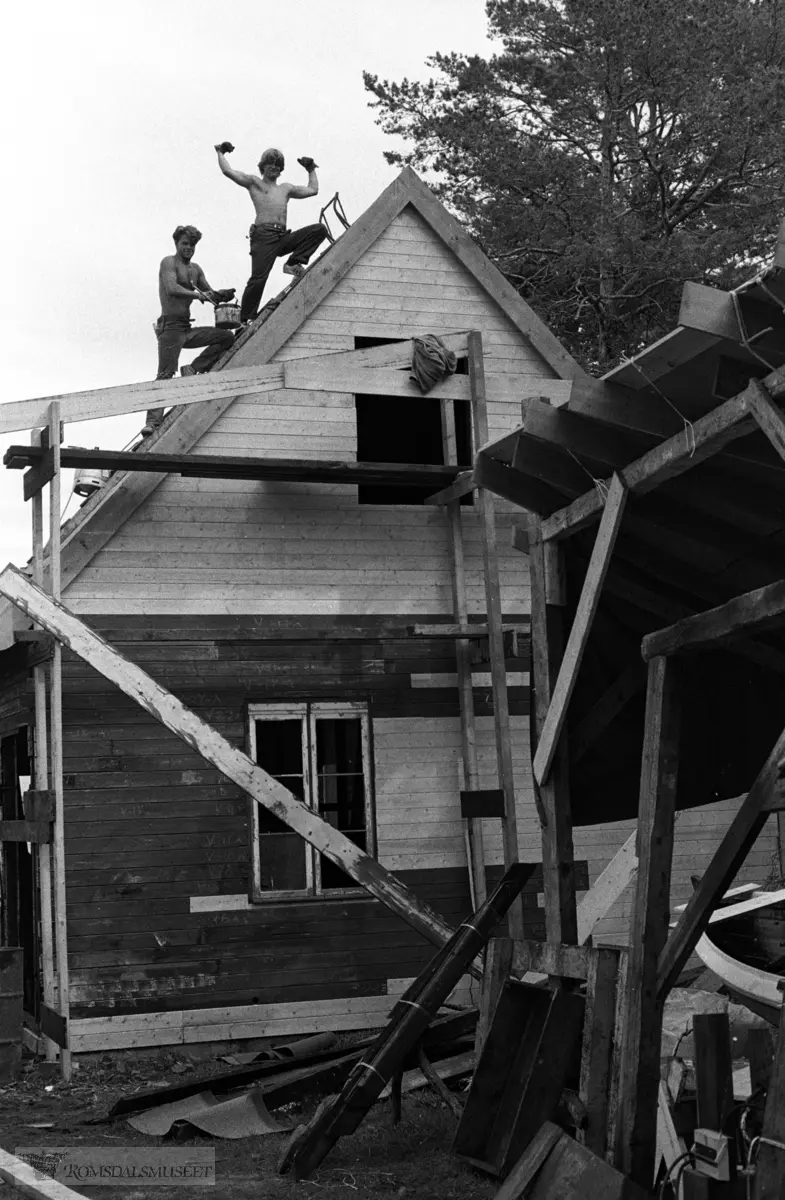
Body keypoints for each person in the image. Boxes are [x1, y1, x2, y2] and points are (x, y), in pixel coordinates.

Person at [215, 144, 328, 323]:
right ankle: (245, 319)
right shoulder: (254, 183)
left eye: (277, 165)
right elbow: (228, 171)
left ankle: (293, 263)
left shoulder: (286, 188)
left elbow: (313, 190)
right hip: (264, 237)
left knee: (319, 230)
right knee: (259, 278)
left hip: (282, 236)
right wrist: (220, 152)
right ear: (263, 166)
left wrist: (311, 169)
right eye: (270, 164)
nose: (274, 167)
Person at [144, 225, 236, 436]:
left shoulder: (196, 269)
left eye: (192, 245)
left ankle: (193, 368)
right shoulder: (169, 262)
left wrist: (221, 295)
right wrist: (199, 296)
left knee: (226, 337)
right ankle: (152, 422)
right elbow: (171, 288)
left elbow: (209, 293)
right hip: (170, 328)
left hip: (186, 328)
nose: (189, 248)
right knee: (165, 374)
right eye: (185, 243)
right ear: (177, 243)